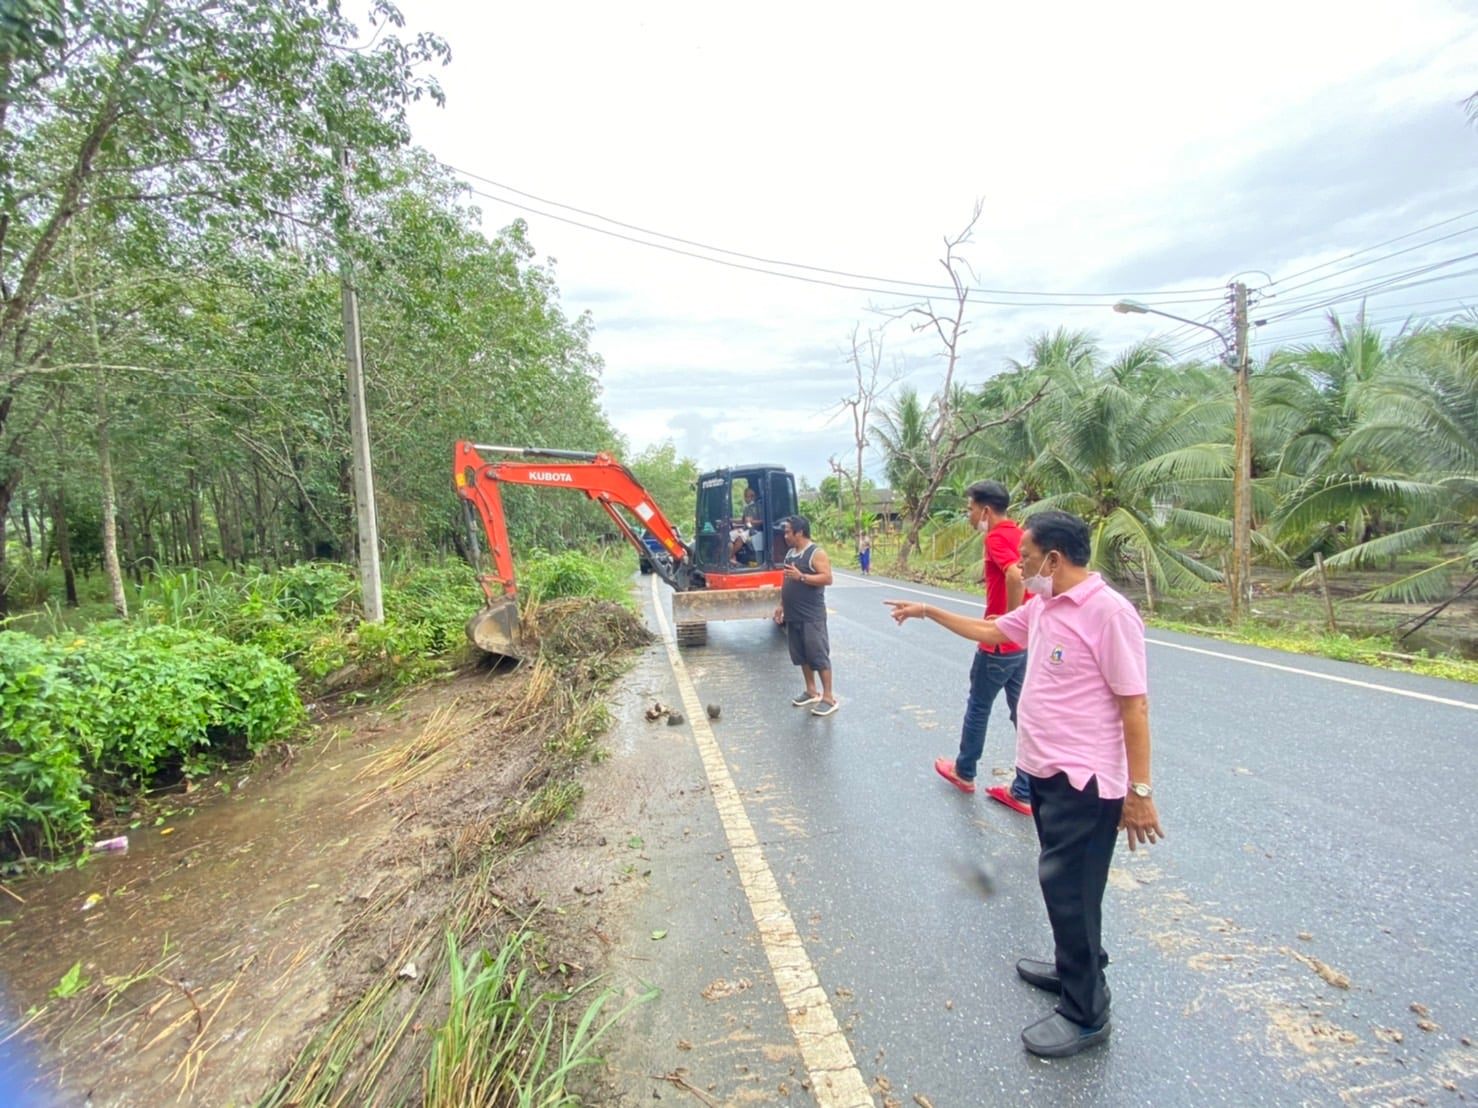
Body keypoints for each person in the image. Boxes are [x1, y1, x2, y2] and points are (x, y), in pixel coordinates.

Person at [886, 509, 1164, 1058]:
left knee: (1070, 891)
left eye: (1029, 559)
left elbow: (1135, 705)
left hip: (1086, 783)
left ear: (1054, 559)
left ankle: (1087, 1014)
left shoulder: (1109, 613)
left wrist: (1141, 792)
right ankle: (1074, 970)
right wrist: (927, 610)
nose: (1022, 567)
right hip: (1048, 777)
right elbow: (993, 629)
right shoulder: (1047, 605)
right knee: (1068, 891)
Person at [934, 480, 1032, 815]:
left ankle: (964, 771)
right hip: (1024, 645)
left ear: (986, 510)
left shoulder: (996, 537)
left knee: (978, 706)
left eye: (970, 509)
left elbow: (1016, 576)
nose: (969, 515)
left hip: (1000, 646)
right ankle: (1024, 789)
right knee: (1024, 715)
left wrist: (1007, 622)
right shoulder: (1022, 536)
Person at [772, 514, 838, 716]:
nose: (785, 535)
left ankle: (828, 697)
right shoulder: (791, 553)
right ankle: (811, 690)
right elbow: (787, 580)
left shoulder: (815, 553)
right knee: (801, 654)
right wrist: (781, 604)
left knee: (818, 654)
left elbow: (827, 578)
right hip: (794, 614)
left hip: (812, 615)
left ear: (799, 532)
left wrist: (802, 576)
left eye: (787, 531)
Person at [730, 485, 764, 564]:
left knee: (740, 538)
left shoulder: (759, 507)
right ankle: (732, 556)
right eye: (745, 496)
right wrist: (730, 520)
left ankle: (730, 557)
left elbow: (763, 521)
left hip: (755, 530)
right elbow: (743, 521)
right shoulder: (746, 508)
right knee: (730, 535)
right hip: (746, 529)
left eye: (746, 496)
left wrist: (752, 522)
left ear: (752, 497)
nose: (745, 498)